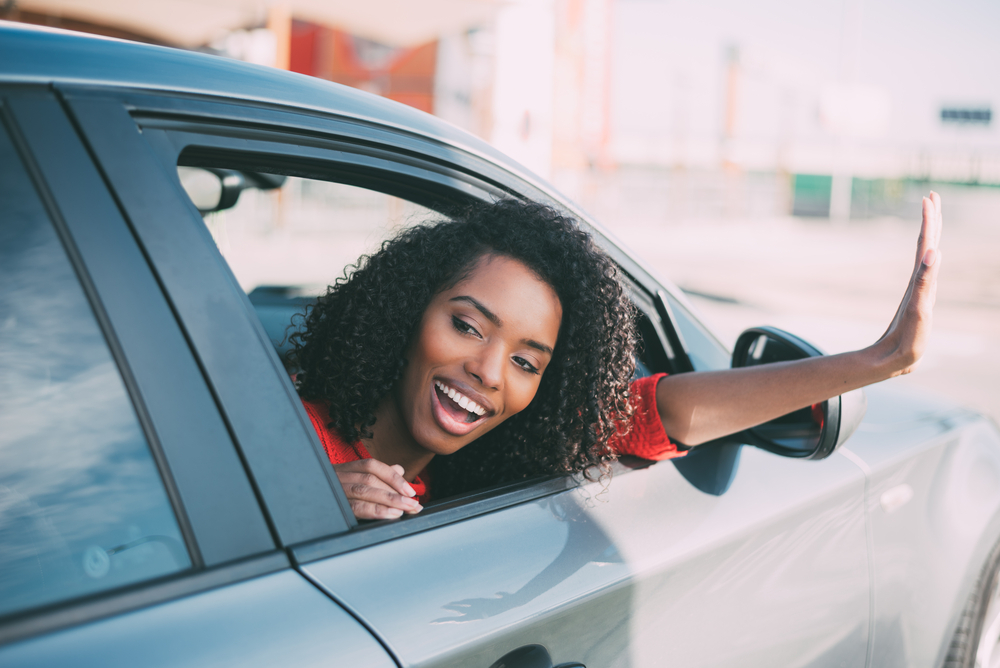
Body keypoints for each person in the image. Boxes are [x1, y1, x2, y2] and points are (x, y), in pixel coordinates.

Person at [290, 193, 943, 520]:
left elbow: (664, 411)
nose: (488, 372)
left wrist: (879, 360)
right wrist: (305, 500)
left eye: (527, 362)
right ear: (409, 309)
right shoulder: (277, 435)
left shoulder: (504, 456)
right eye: (467, 325)